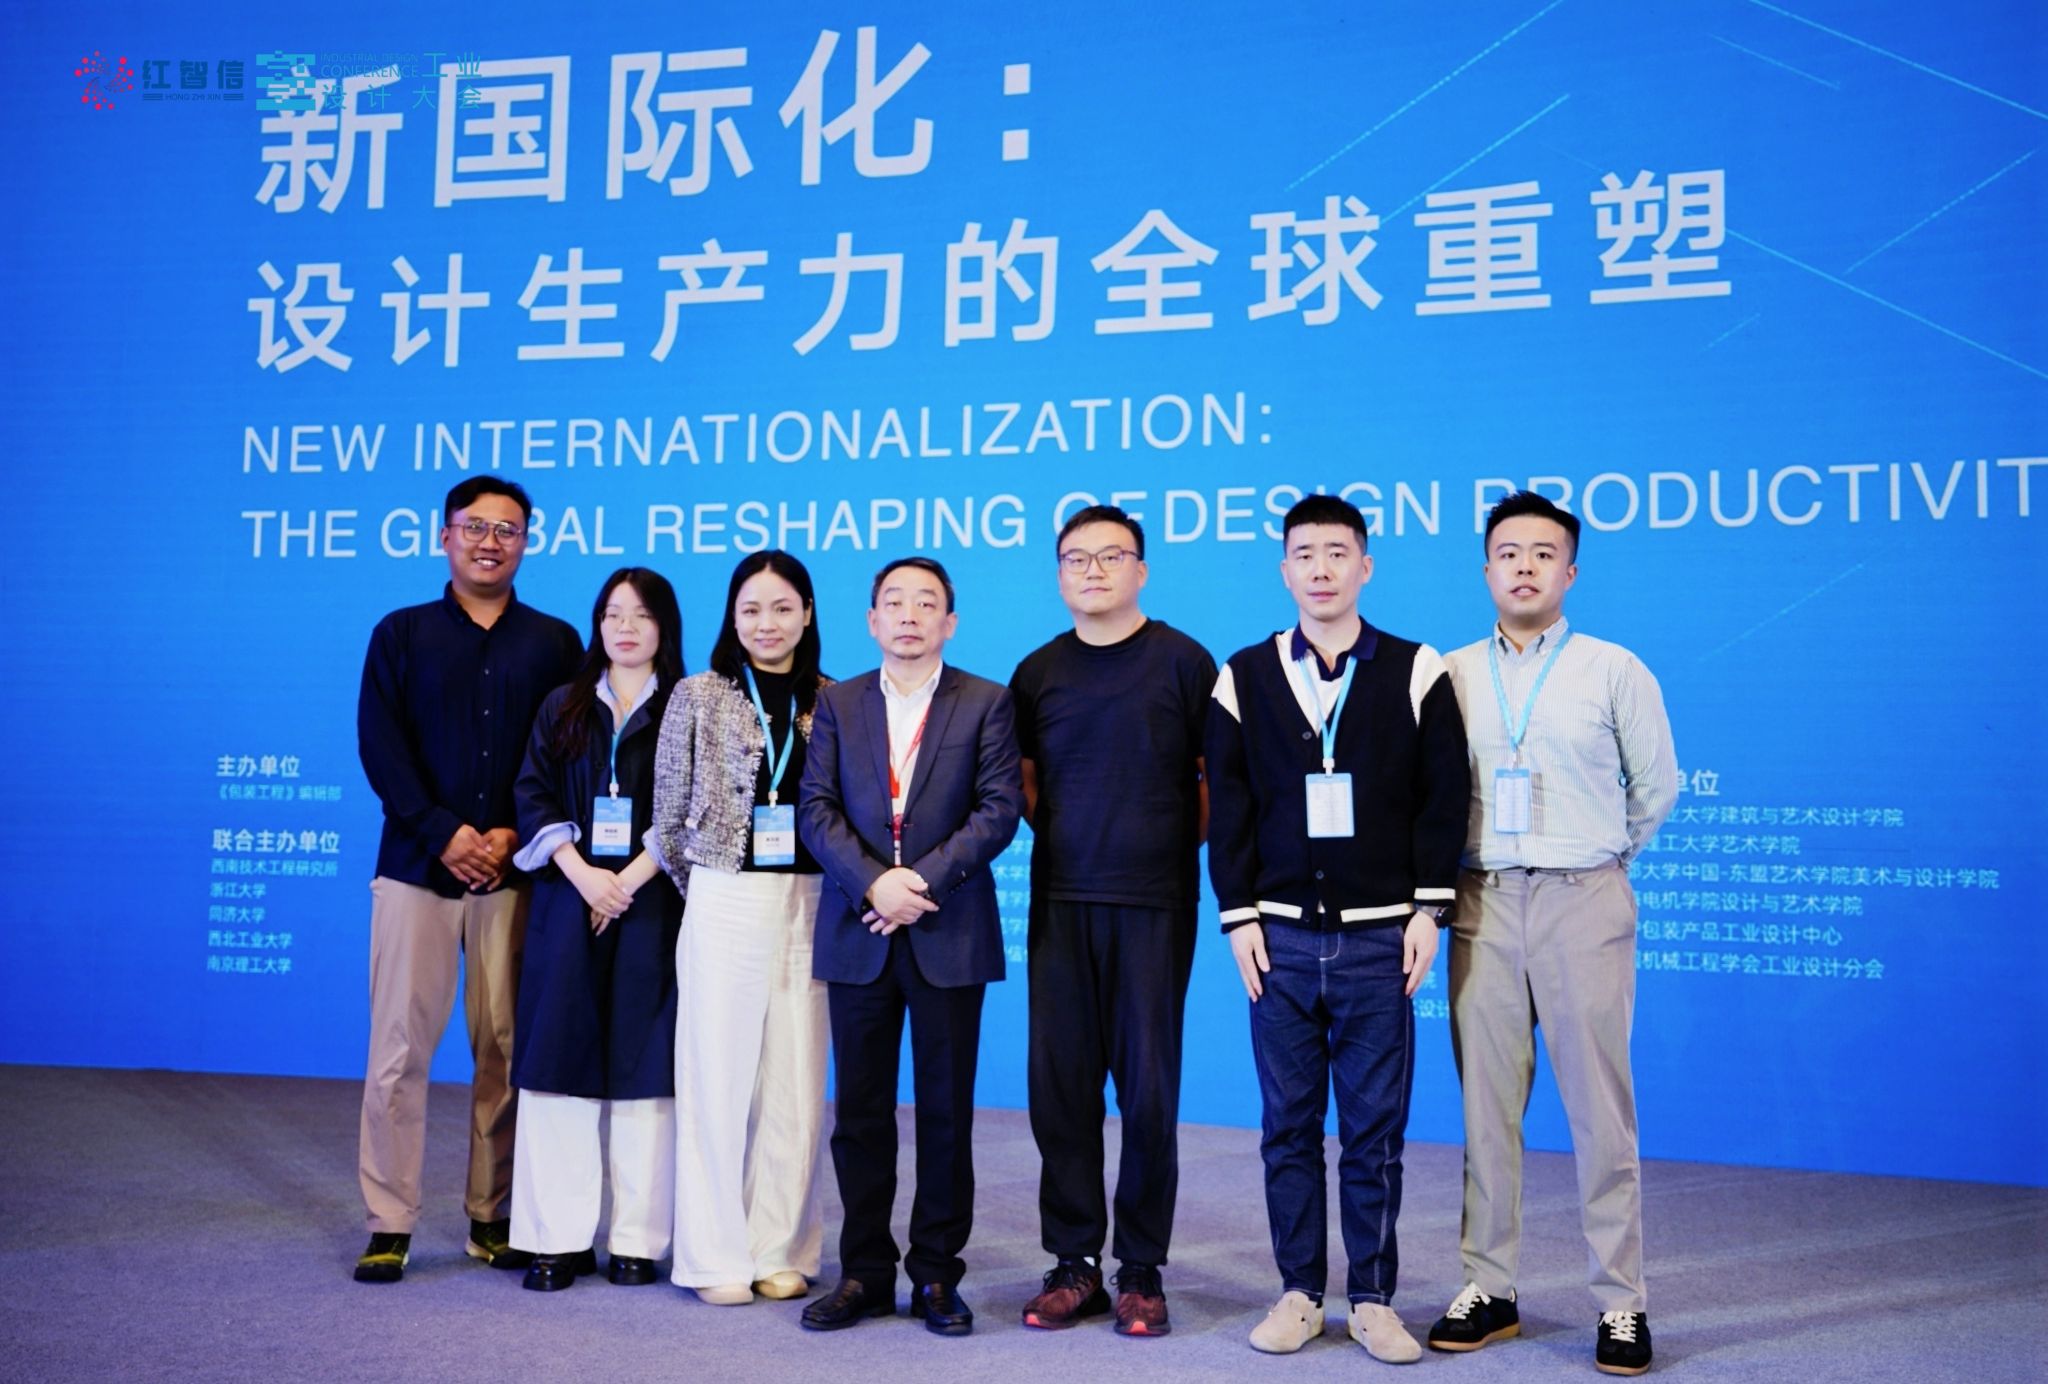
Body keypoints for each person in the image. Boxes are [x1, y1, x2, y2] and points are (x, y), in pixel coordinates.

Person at [1204, 494, 1469, 1362]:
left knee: (1373, 1133)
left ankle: (1373, 1299)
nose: (1321, 569)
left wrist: (1429, 909)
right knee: (1286, 1128)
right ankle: (1298, 1293)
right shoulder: (1243, 675)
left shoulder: (1416, 669)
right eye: (1305, 554)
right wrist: (1237, 915)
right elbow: (1229, 806)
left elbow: (1443, 797)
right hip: (1276, 941)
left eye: (1337, 552)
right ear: (1284, 570)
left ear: (1365, 566)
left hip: (1379, 940)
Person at [1426, 492, 1677, 1378]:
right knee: (1486, 1110)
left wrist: (1594, 862)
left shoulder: (1614, 668)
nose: (1524, 566)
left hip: (1583, 899)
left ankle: (1620, 1300)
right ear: (1486, 570)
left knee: (1601, 1112)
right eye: (1508, 552)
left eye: (1543, 553)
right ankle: (1488, 1287)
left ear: (1570, 571)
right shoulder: (1448, 674)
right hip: (1483, 900)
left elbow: (1655, 788)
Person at [353, 477, 583, 1283]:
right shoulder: (401, 633)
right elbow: (380, 746)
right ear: (444, 537)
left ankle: (492, 1213)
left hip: (515, 875)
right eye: (475, 527)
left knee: (506, 1049)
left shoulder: (554, 642)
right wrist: (443, 831)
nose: (491, 542)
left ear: (528, 542)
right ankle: (389, 1221)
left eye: (508, 529)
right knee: (397, 1051)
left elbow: (568, 753)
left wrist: (516, 831)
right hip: (417, 869)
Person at [796, 558, 1023, 1337]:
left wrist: (916, 883)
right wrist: (874, 885)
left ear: (949, 623)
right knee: (859, 1114)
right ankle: (863, 1271)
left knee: (945, 1114)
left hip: (946, 929)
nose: (909, 616)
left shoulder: (986, 701)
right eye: (894, 602)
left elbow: (999, 808)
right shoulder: (838, 702)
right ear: (871, 619)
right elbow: (815, 808)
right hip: (859, 931)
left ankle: (935, 1275)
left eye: (927, 604)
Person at [1009, 506, 1215, 1337]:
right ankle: (1074, 1264)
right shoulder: (1037, 672)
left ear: (1141, 570)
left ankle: (1141, 1270)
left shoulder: (1184, 661)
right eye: (1076, 559)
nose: (1092, 571)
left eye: (1110, 556)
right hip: (1062, 900)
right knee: (1060, 1090)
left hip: (1155, 905)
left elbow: (1210, 782)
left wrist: (1152, 847)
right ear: (1059, 574)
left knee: (1149, 1093)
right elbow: (1024, 782)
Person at [653, 552, 834, 1307]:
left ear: (807, 614)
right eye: (752, 609)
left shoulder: (834, 698)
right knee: (714, 1077)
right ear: (732, 616)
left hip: (814, 898)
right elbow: (668, 816)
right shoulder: (697, 694)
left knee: (796, 1081)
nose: (767, 623)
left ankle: (779, 1247)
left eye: (783, 607)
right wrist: (710, 887)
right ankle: (713, 1254)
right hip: (724, 894)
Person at [503, 568, 685, 1291]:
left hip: (654, 903)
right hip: (568, 900)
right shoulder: (564, 704)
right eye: (612, 614)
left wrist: (627, 881)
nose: (625, 628)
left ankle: (637, 1240)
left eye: (641, 615)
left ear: (665, 625)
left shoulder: (686, 706)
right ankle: (557, 1239)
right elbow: (532, 792)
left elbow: (695, 807)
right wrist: (583, 875)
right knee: (559, 1065)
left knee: (647, 1071)